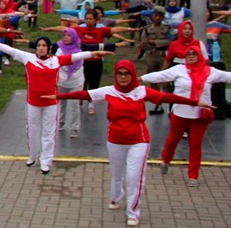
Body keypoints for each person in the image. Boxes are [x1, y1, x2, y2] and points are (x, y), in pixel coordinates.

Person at [45, 60, 210, 227]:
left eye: (127, 74)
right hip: (115, 140)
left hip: (139, 141)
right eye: (120, 74)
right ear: (116, 75)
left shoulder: (142, 91)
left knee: (134, 177)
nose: (123, 77)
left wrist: (195, 102)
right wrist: (58, 96)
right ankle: (116, 197)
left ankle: (133, 212)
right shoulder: (109, 91)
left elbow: (166, 97)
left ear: (132, 75)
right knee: (117, 174)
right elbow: (84, 95)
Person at [0, 37, 111, 174]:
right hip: (33, 102)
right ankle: (33, 156)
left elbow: (75, 56)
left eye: (43, 45)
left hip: (51, 103)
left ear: (49, 48)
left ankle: (46, 160)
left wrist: (94, 53)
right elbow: (11, 50)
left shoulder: (56, 60)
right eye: (38, 45)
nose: (41, 48)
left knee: (49, 133)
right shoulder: (28, 58)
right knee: (32, 130)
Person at [141, 45, 231, 187]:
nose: (190, 56)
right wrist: (141, 78)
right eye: (188, 54)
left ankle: (193, 176)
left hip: (201, 115)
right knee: (173, 140)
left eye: (194, 54)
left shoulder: (210, 72)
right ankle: (166, 160)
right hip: (180, 113)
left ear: (199, 56)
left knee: (195, 145)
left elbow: (228, 77)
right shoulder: (179, 70)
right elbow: (160, 75)